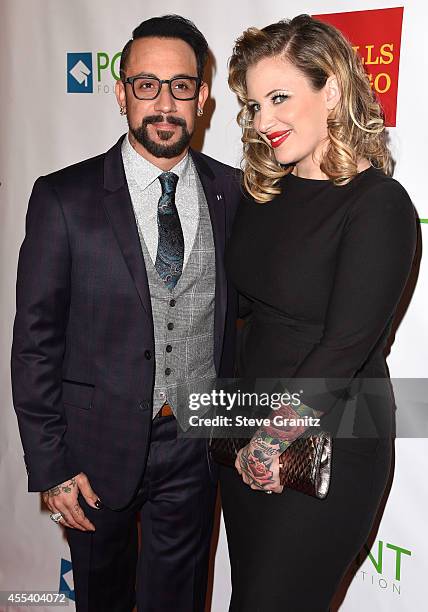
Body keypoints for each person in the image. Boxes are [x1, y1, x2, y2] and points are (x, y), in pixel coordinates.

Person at [11, 14, 240, 612]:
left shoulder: (235, 194)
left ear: (203, 96)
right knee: (101, 599)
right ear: (120, 93)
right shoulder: (63, 198)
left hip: (194, 447)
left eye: (181, 86)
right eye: (147, 85)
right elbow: (34, 344)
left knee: (180, 601)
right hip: (92, 452)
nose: (165, 103)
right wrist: (52, 464)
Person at [219, 15, 417, 611]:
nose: (264, 121)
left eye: (280, 98)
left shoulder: (378, 203)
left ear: (330, 89)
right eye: (254, 104)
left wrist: (273, 442)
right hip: (246, 432)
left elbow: (346, 345)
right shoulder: (266, 194)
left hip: (330, 436)